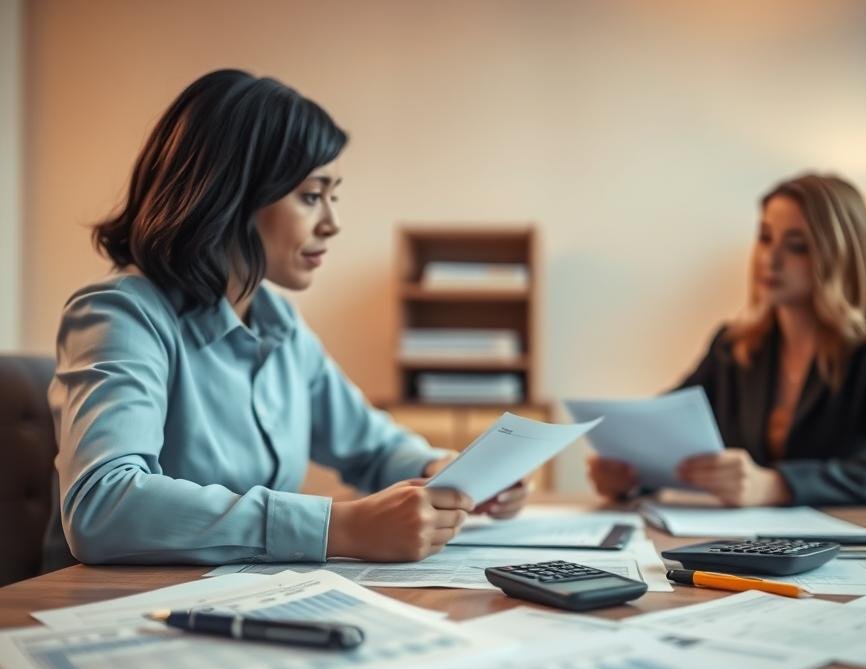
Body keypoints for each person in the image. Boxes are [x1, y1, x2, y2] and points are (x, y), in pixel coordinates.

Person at [45, 69, 526, 567]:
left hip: (244, 598)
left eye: (333, 196)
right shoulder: (120, 313)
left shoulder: (279, 325)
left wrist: (447, 472)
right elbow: (102, 505)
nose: (332, 223)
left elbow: (371, 446)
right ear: (230, 193)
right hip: (120, 609)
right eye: (312, 195)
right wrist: (339, 526)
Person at [588, 173, 866, 507]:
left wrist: (776, 485)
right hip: (751, 543)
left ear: (840, 257)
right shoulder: (734, 346)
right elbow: (664, 430)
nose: (771, 259)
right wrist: (630, 474)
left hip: (855, 542)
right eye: (766, 237)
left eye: (797, 246)